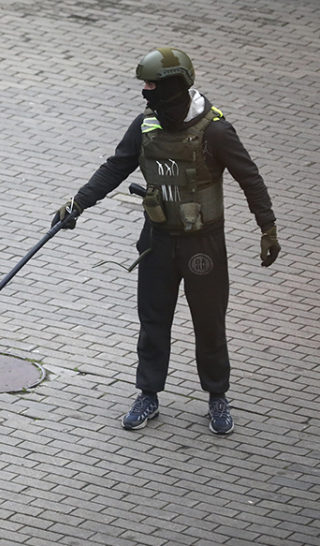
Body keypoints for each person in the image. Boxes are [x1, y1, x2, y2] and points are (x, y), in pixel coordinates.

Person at [50, 47, 280, 435]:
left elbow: (249, 177)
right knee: (153, 321)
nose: (145, 90)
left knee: (209, 323)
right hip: (156, 241)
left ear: (174, 84)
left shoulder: (215, 130)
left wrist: (267, 227)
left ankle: (217, 397)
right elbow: (116, 166)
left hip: (202, 245)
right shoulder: (145, 126)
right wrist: (78, 204)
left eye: (152, 83)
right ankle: (148, 394)